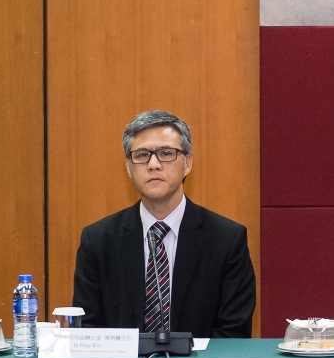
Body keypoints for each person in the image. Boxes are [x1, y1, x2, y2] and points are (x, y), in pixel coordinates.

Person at [73, 110, 255, 337]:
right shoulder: (98, 241)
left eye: (166, 153)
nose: (153, 164)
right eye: (142, 155)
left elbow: (234, 334)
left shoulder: (226, 240)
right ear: (128, 167)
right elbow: (87, 331)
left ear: (187, 163)